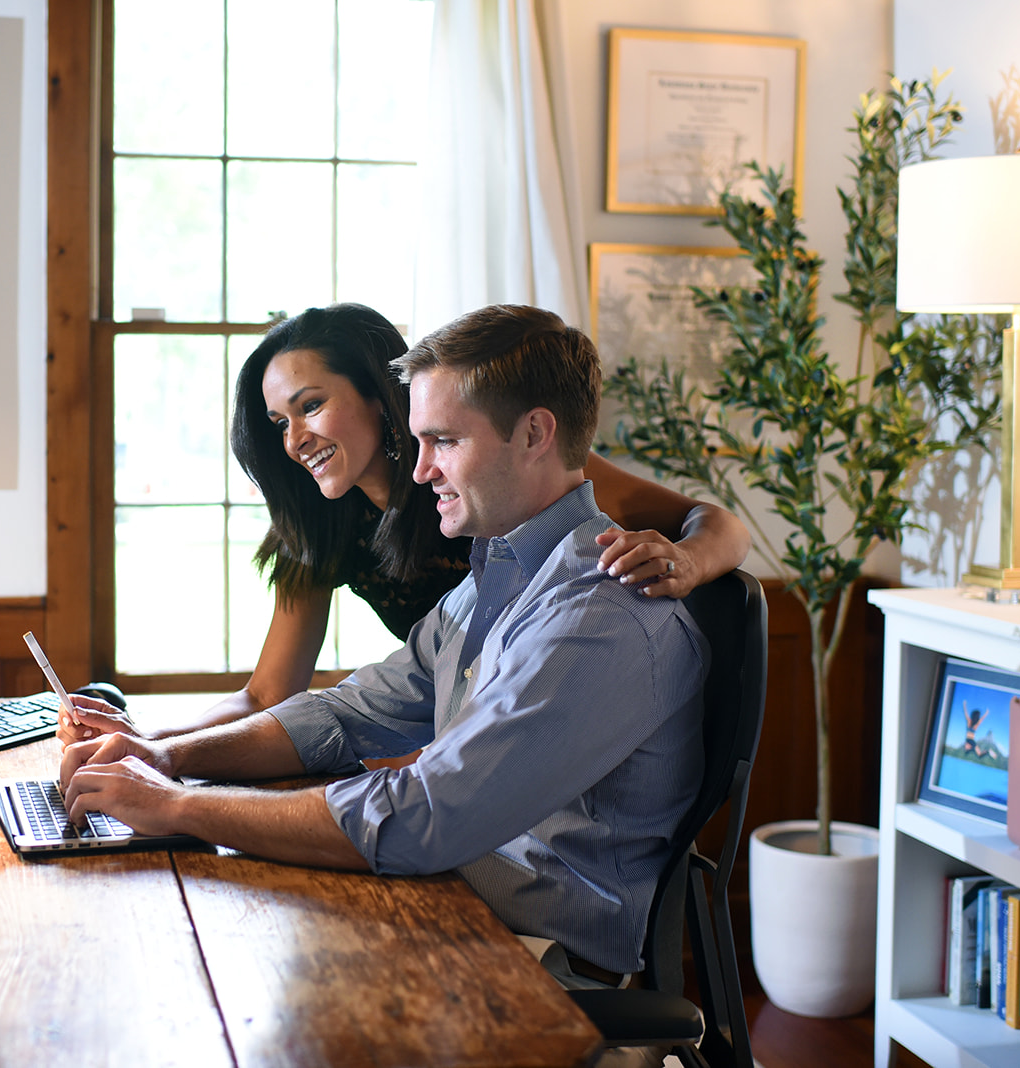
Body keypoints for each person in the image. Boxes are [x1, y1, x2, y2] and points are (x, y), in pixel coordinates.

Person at [60, 304, 708, 993]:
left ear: (534, 434)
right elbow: (348, 712)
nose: (421, 469)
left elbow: (426, 815)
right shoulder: (503, 571)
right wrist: (168, 756)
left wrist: (180, 808)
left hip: (542, 959)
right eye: (420, 441)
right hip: (469, 891)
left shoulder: (596, 611)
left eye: (445, 442)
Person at [62, 302, 745, 744]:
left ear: (378, 395)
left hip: (550, 734)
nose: (293, 438)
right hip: (453, 734)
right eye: (278, 424)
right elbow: (269, 695)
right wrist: (148, 741)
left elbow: (719, 524)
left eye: (311, 406)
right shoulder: (323, 529)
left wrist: (689, 560)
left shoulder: (500, 477)